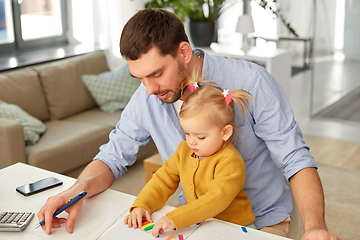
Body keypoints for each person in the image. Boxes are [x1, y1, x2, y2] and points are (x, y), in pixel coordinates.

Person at [37, 8, 340, 240]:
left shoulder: (252, 81)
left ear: (183, 52)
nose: (149, 89)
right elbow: (113, 155)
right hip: (190, 218)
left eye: (155, 74)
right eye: (139, 78)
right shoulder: (148, 97)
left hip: (258, 221)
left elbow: (296, 160)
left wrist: (315, 227)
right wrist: (75, 191)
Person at [124, 77, 255, 237]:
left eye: (200, 137)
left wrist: (175, 218)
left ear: (225, 132)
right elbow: (163, 180)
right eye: (187, 133)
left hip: (234, 228)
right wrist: (143, 204)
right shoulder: (184, 150)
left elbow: (214, 200)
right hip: (199, 224)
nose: (191, 141)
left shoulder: (230, 161)